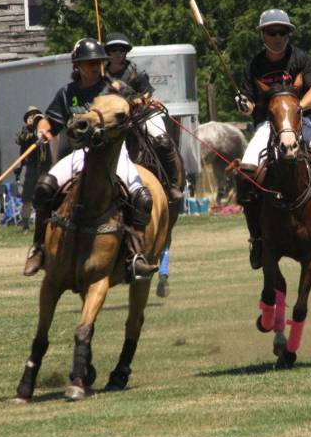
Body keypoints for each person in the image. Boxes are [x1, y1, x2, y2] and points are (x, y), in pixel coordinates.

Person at [22, 37, 159, 279]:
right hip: (79, 155)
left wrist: (142, 103)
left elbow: (134, 104)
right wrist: (43, 127)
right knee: (44, 188)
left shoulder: (115, 87)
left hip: (114, 156)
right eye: (88, 62)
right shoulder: (68, 94)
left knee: (142, 197)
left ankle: (135, 255)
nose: (95, 66)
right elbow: (51, 121)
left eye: (98, 61)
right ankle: (39, 248)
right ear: (77, 65)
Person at [234, 9, 311, 270]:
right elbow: (250, 104)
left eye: (282, 32)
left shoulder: (302, 59)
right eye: (272, 32)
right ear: (263, 34)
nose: (277, 37)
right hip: (267, 126)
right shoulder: (254, 65)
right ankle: (257, 238)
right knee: (247, 173)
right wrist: (244, 104)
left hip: (299, 121)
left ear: (289, 34)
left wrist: (297, 110)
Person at [104, 32, 187, 202]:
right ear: (108, 53)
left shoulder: (135, 73)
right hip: (114, 120)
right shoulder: (101, 77)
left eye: (122, 50)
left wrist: (141, 101)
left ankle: (172, 184)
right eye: (114, 50)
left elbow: (147, 92)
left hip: (139, 115)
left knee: (162, 140)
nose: (119, 54)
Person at [13, 106, 51, 230]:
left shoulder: (44, 130)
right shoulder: (25, 132)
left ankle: (46, 223)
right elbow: (19, 140)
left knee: (46, 196)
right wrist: (30, 130)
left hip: (44, 168)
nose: (32, 117)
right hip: (31, 168)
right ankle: (25, 224)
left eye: (35, 115)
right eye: (30, 115)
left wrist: (41, 126)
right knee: (27, 197)